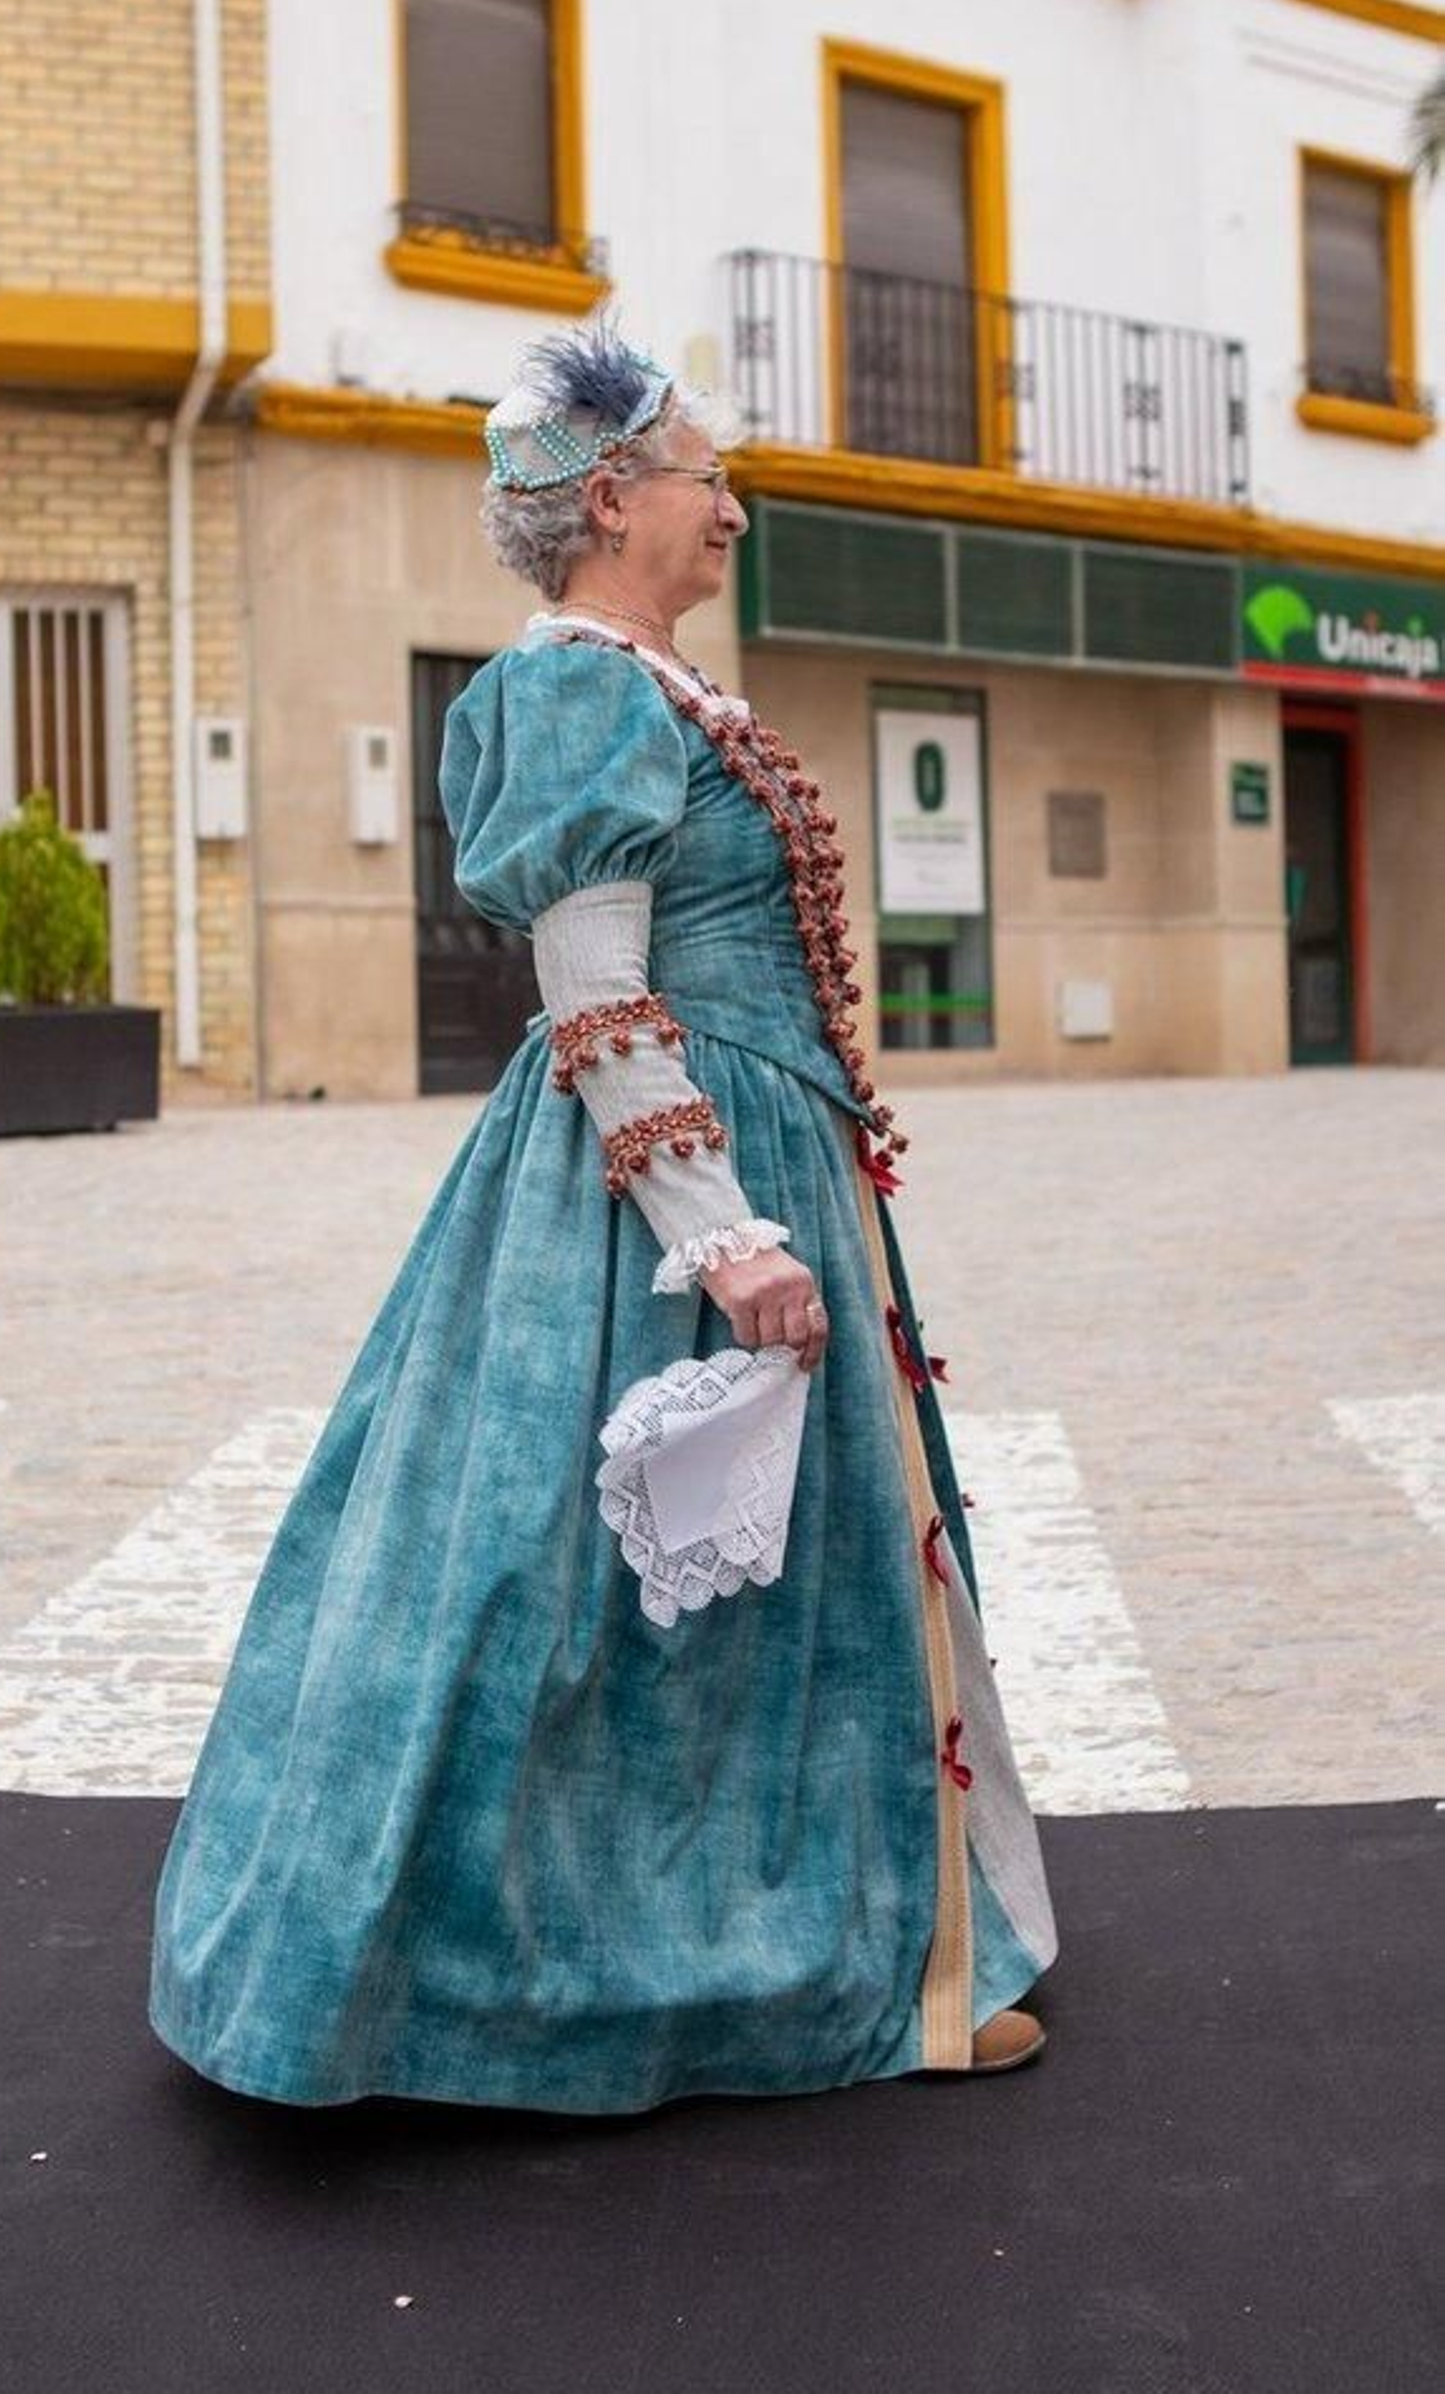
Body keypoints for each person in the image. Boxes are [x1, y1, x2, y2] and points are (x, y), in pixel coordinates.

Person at [147, 318, 1057, 2113]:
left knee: (730, 1595)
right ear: (616, 496)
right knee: (562, 1586)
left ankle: (811, 1935)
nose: (733, 511)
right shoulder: (580, 689)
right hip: (662, 1184)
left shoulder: (658, 687)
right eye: (709, 478)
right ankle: (589, 1978)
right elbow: (597, 988)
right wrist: (724, 1234)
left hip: (754, 1149)